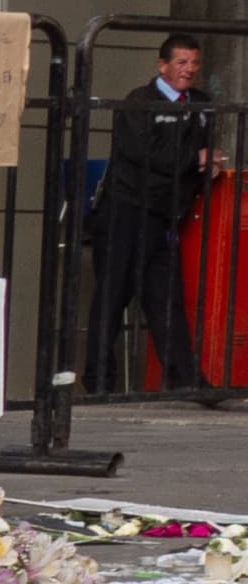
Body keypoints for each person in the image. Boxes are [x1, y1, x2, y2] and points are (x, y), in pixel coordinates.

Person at [91, 32, 223, 392]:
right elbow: (143, 153)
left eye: (194, 63)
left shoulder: (201, 104)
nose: (189, 70)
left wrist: (205, 165)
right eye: (181, 62)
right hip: (126, 208)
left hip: (165, 213)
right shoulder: (140, 101)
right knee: (113, 294)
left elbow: (197, 153)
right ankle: (98, 381)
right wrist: (192, 160)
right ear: (162, 65)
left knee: (166, 297)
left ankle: (187, 381)